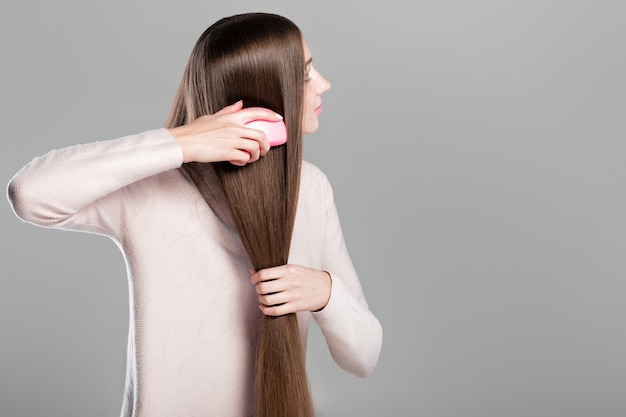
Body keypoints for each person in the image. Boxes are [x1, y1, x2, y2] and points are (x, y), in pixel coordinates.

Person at [7, 12, 382, 417]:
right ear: (264, 95)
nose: (323, 84)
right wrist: (182, 140)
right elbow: (29, 193)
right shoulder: (150, 188)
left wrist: (326, 294)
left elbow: (363, 357)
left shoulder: (311, 189)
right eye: (306, 74)